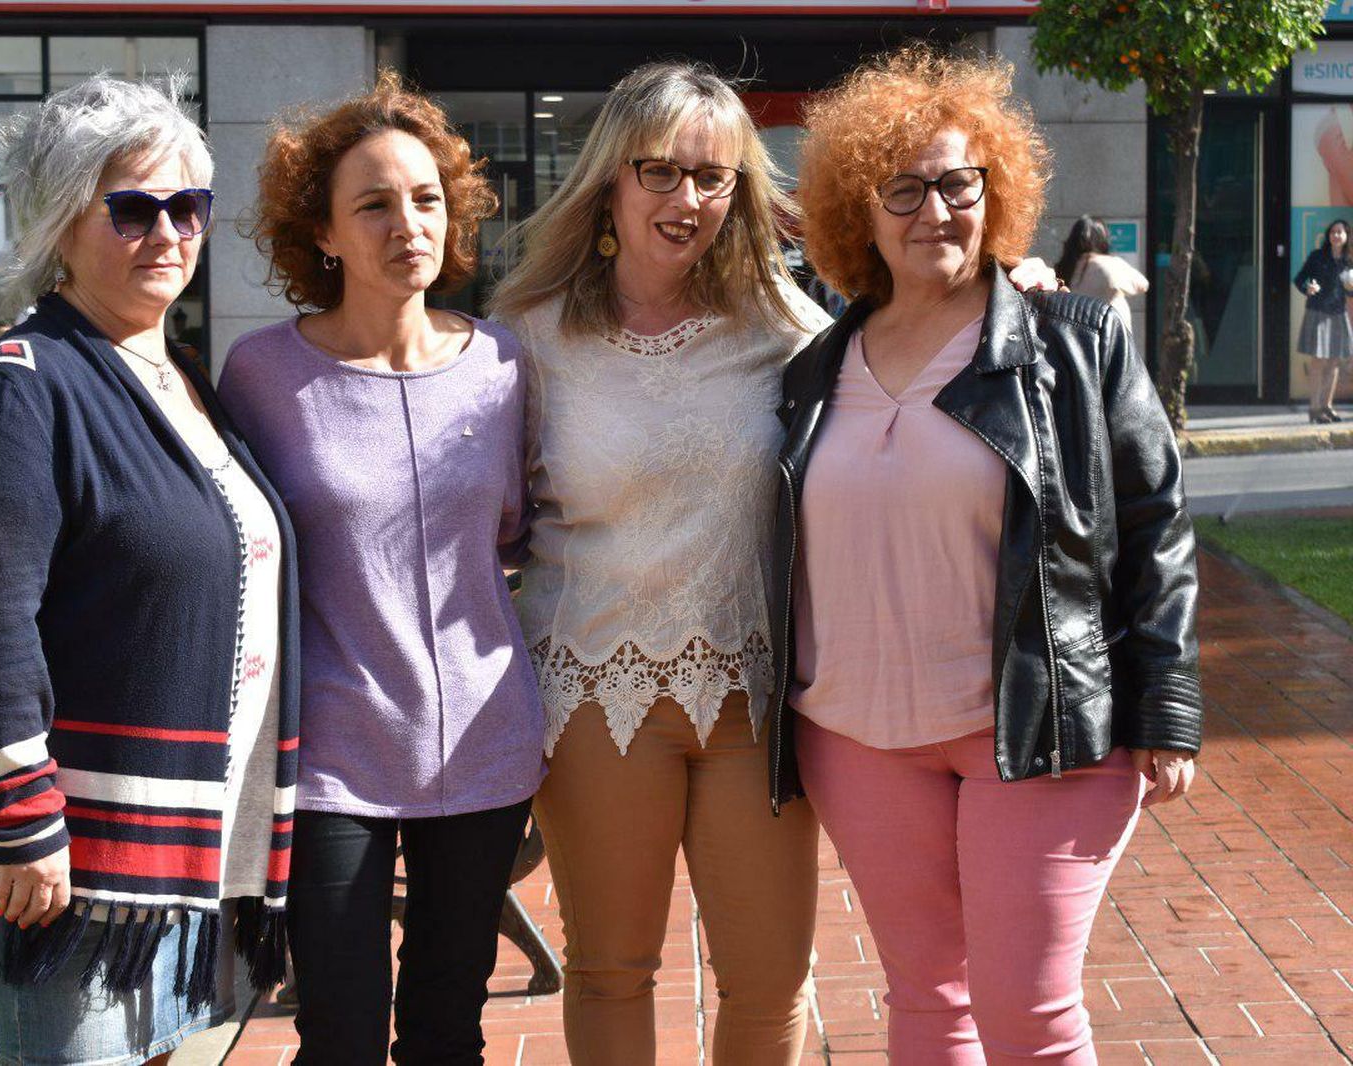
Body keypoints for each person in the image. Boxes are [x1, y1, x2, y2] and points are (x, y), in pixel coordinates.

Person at [490, 60, 1058, 1065]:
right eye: (661, 171)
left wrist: (1007, 294)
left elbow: (917, 353)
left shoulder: (790, 331)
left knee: (770, 979)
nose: (688, 198)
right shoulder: (529, 339)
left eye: (714, 177)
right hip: (591, 694)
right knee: (610, 967)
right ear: (610, 180)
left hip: (757, 703)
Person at [773, 46, 1201, 1063]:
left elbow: (1155, 520)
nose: (936, 211)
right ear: (859, 211)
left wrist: (1168, 703)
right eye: (904, 189)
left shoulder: (1073, 341)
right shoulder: (813, 368)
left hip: (1039, 726)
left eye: (958, 184)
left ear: (993, 190)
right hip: (857, 735)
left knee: (1028, 1013)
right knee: (926, 1001)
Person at [0, 76, 299, 1066]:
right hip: (77, 856)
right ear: (61, 221)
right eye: (131, 209)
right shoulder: (19, 389)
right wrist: (23, 816)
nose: (166, 232)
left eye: (187, 207)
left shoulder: (181, 381)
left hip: (183, 839)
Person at [216, 71, 544, 1065]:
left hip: (484, 746)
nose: (409, 225)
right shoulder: (261, 376)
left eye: (427, 199)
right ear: (321, 232)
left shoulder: (503, 368)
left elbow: (517, 533)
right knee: (340, 1034)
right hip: (329, 756)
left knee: (447, 1030)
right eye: (374, 205)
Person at [1293, 218, 1352, 423]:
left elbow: (1350, 292)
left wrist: (1351, 288)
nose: (1336, 235)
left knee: (1334, 361)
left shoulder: (1348, 261)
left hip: (1338, 313)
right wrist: (1308, 287)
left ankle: (1327, 405)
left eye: (1340, 232)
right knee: (1318, 361)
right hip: (1318, 311)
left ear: (1346, 236)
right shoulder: (1317, 256)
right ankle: (1314, 408)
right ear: (1329, 236)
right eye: (1333, 232)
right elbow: (1300, 279)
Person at [1056, 214, 1146, 331]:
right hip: (1109, 330)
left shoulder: (1066, 266)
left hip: (1076, 332)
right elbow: (1142, 284)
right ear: (1102, 239)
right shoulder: (1109, 264)